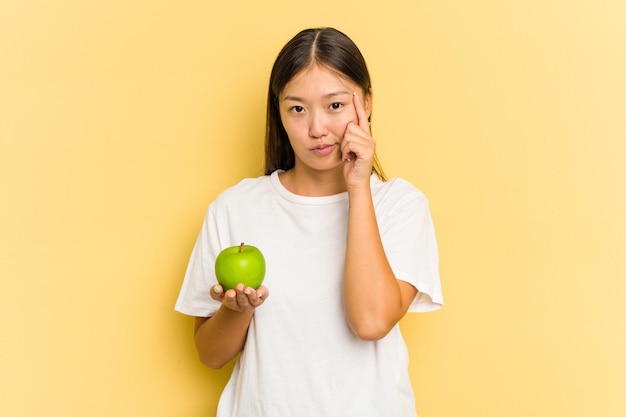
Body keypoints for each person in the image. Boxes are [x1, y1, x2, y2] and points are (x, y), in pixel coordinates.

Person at [175, 27, 443, 417]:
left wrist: (357, 188)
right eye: (297, 108)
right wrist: (238, 310)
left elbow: (370, 322)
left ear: (365, 103)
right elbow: (210, 356)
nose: (316, 129)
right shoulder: (235, 208)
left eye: (335, 106)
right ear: (279, 114)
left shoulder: (399, 205)